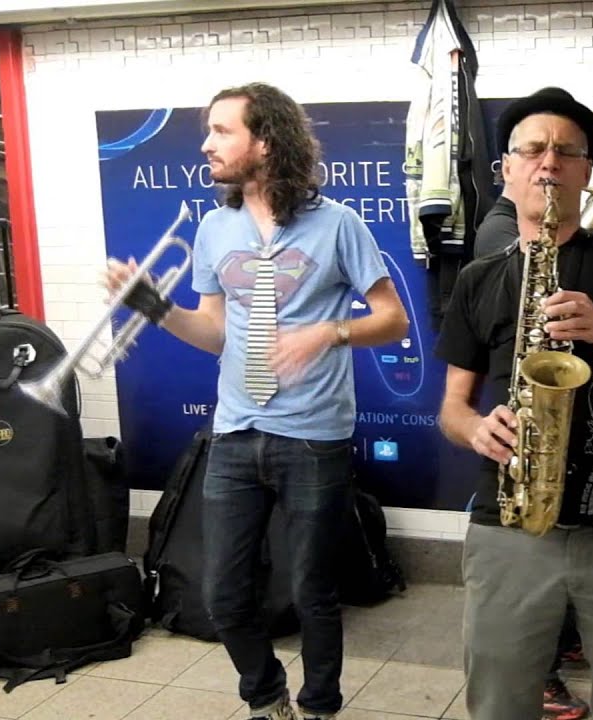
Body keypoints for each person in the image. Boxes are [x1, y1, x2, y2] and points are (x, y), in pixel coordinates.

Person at [105, 82, 409, 720]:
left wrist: (329, 331)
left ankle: (321, 706)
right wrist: (153, 307)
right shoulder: (217, 228)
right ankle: (267, 696)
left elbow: (393, 319)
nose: (206, 143)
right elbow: (214, 332)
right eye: (208, 130)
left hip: (313, 437)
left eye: (222, 130)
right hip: (235, 433)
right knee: (224, 597)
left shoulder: (338, 224)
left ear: (265, 141)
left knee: (313, 593)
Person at [436, 86, 593, 720]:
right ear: (506, 169)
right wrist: (475, 430)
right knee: (498, 701)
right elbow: (451, 408)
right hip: (510, 526)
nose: (547, 162)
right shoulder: (477, 279)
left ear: (586, 170)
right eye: (531, 149)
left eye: (565, 151)